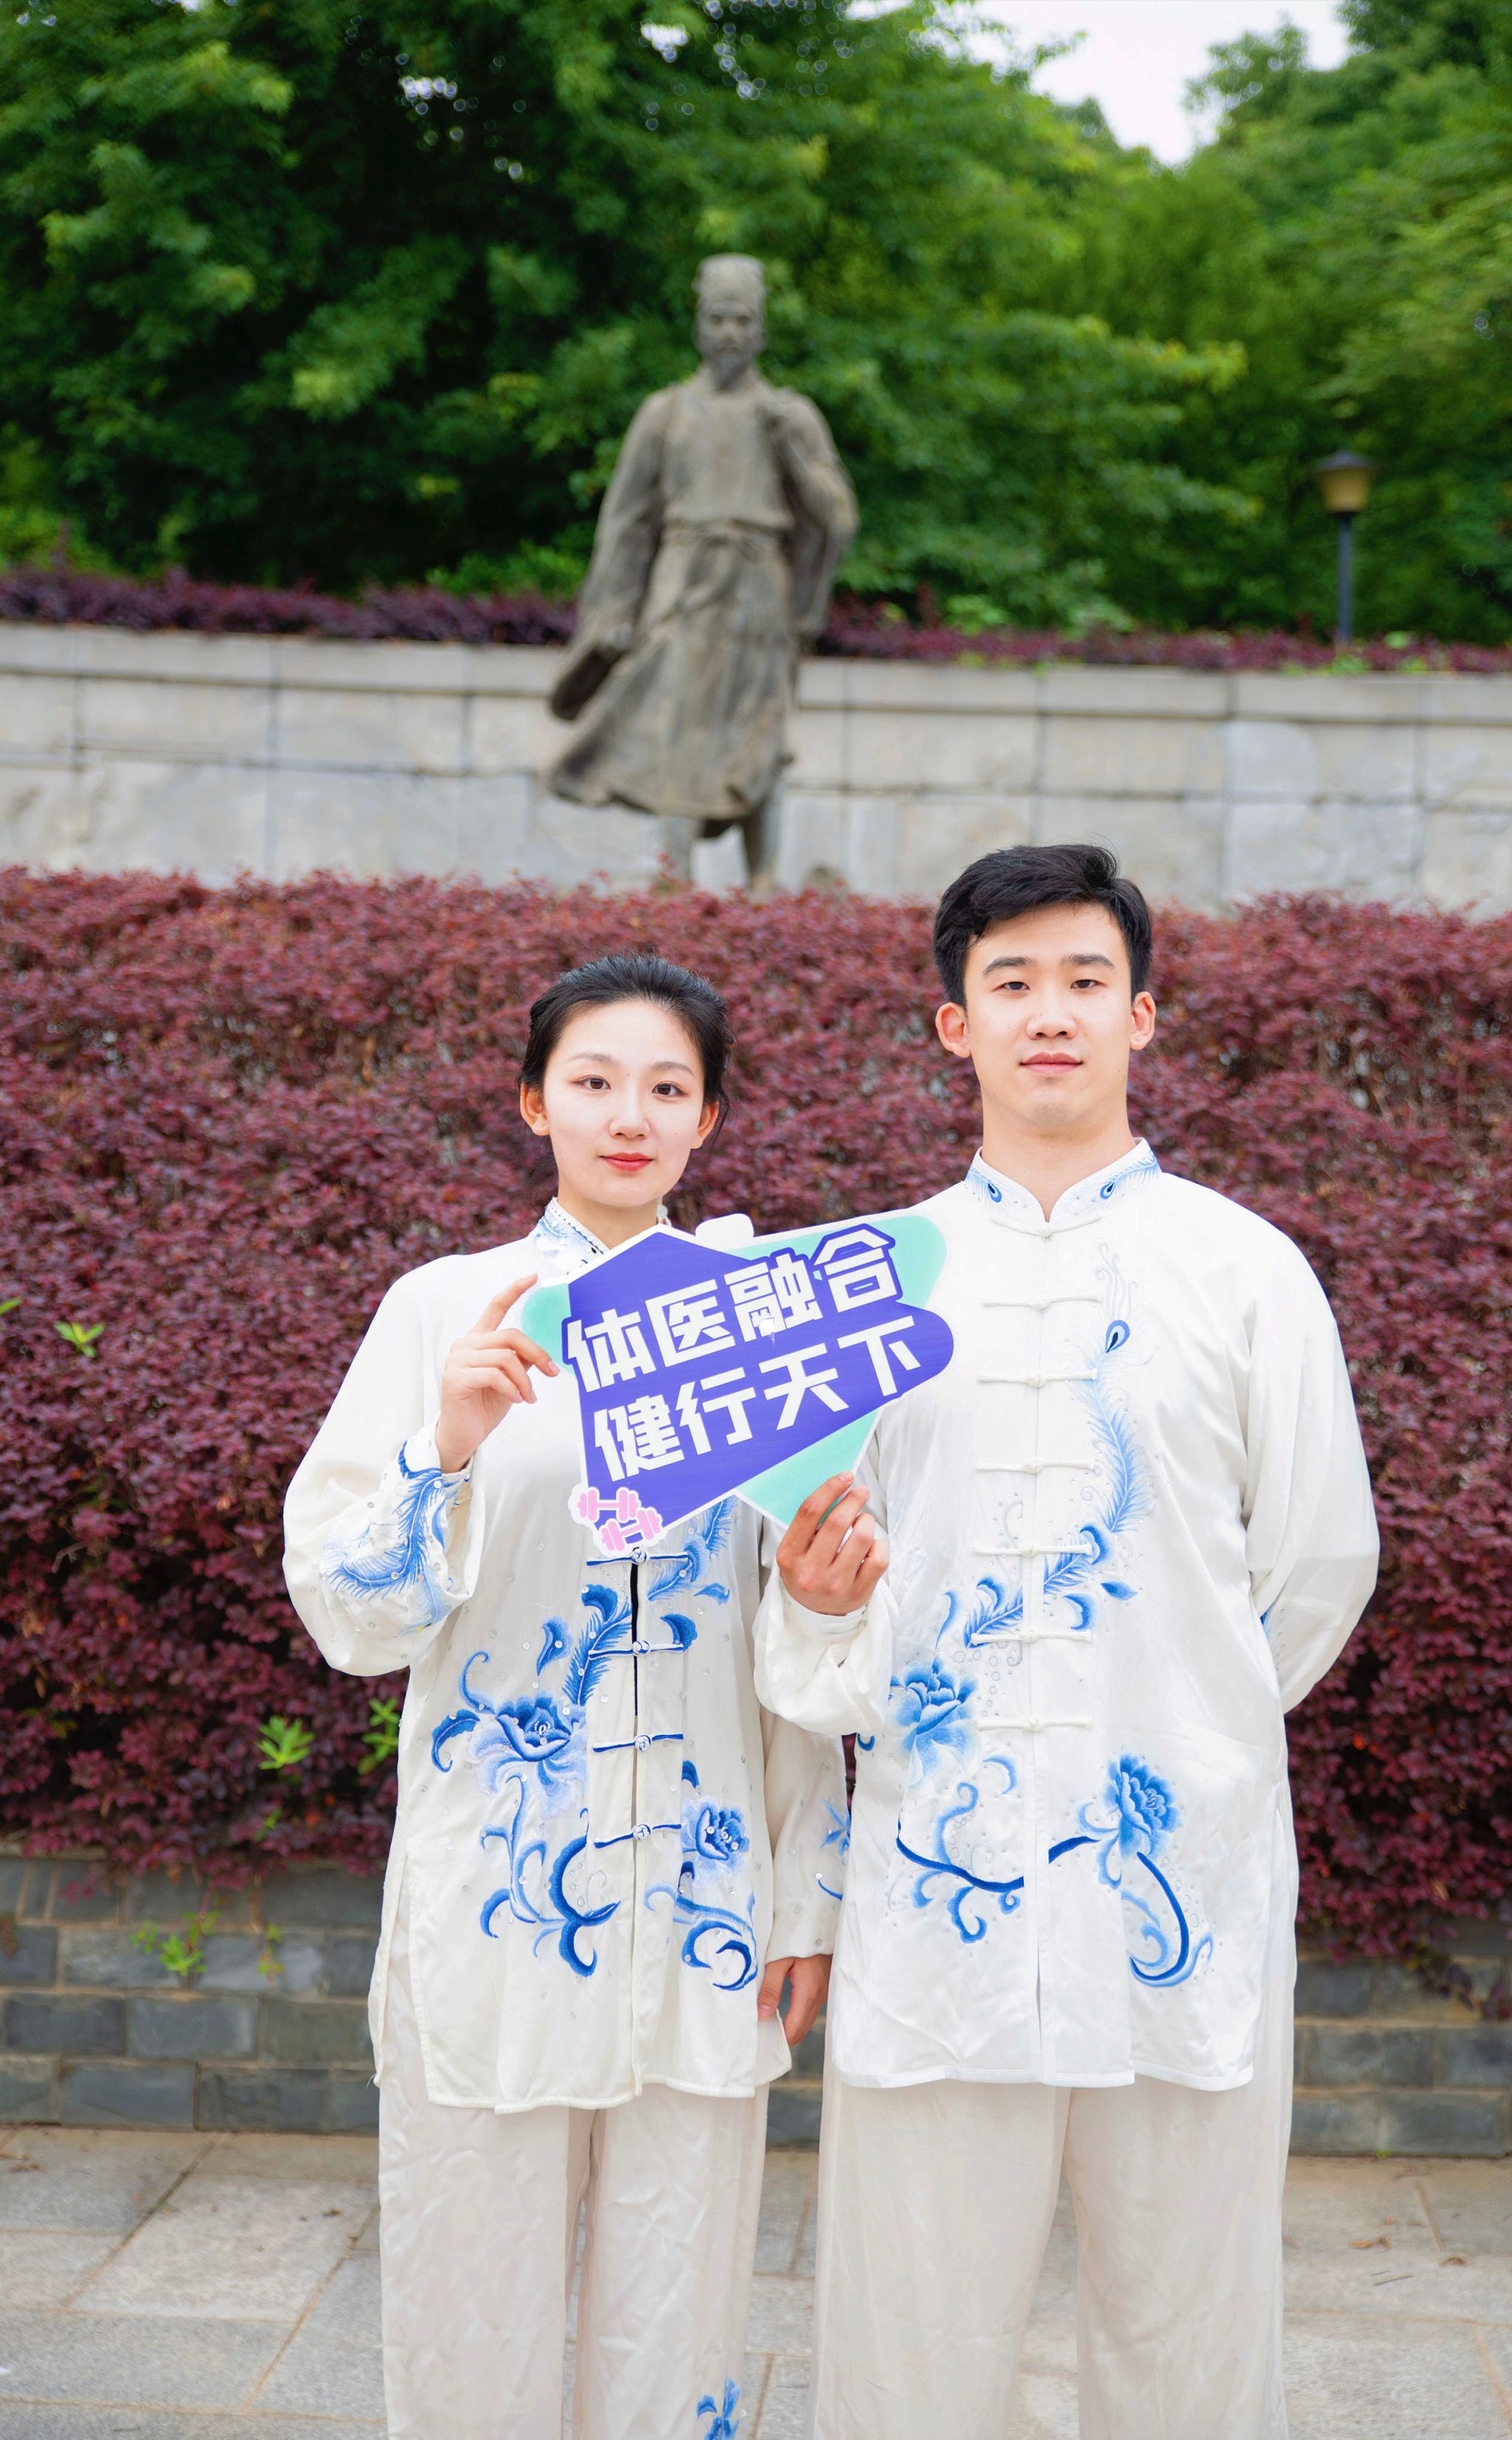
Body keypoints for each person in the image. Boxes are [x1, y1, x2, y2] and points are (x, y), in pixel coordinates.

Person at [758, 844, 1379, 2440]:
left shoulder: (1245, 1270)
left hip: (1175, 1877)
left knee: (1188, 2326)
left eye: (1085, 980)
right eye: (1011, 981)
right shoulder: (863, 1287)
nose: (1051, 1013)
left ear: (1141, 1015)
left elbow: (1316, 1561)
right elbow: (814, 1572)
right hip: (937, 1882)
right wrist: (826, 1615)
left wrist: (1184, 1721)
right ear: (952, 1023)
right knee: (906, 2334)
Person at [284, 952, 843, 2440]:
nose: (628, 1115)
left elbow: (794, 1632)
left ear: (708, 1116)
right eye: (593, 1080)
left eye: (667, 1086)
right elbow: (345, 1610)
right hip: (498, 1888)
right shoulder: (442, 1309)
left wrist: (807, 1890)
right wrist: (445, 1448)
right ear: (535, 1101)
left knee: (679, 2306)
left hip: (705, 1890)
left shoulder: (760, 1324)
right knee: (470, 2302)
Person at [546, 252, 856, 884]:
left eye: (742, 320)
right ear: (698, 326)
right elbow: (626, 523)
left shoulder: (790, 415)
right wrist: (616, 609)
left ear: (761, 330)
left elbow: (836, 517)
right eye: (717, 318)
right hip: (683, 579)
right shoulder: (665, 412)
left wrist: (794, 452)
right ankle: (676, 873)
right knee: (681, 721)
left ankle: (763, 878)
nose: (729, 333)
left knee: (761, 728)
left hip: (759, 583)